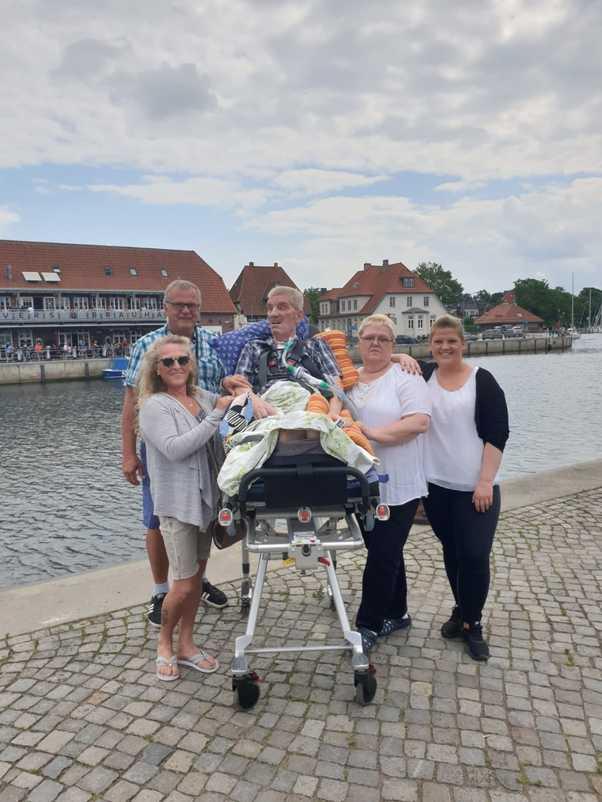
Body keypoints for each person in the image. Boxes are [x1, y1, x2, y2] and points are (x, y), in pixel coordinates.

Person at [122, 279, 250, 626]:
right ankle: (161, 590)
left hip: (207, 446)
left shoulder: (211, 344)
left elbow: (218, 391)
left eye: (192, 305)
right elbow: (132, 402)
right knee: (158, 519)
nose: (185, 310)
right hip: (164, 446)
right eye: (178, 304)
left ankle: (197, 581)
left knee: (204, 513)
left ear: (199, 308)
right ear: (165, 307)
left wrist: (233, 388)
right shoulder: (147, 345)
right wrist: (129, 454)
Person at [138, 335, 233, 680]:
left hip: (206, 502)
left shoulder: (199, 396)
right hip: (177, 506)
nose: (176, 366)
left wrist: (238, 392)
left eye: (182, 359)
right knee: (182, 584)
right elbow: (175, 448)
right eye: (168, 361)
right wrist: (217, 415)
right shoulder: (154, 406)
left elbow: (229, 406)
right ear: (157, 369)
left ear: (191, 364)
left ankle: (187, 644)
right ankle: (164, 644)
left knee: (196, 580)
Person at [421, 314, 509, 661]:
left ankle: (474, 623)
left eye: (451, 341)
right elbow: (390, 365)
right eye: (439, 342)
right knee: (452, 551)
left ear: (463, 344)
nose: (445, 347)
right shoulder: (423, 376)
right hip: (436, 486)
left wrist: (485, 480)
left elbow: (497, 434)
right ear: (431, 345)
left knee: (474, 554)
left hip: (476, 487)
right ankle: (461, 610)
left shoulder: (481, 380)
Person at [347, 314, 431, 652]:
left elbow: (419, 422)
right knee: (385, 550)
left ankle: (367, 625)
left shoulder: (406, 376)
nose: (375, 343)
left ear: (393, 344)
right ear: (358, 342)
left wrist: (371, 434)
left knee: (382, 555)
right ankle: (398, 613)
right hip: (363, 486)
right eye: (369, 337)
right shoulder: (350, 378)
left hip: (399, 485)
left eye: (383, 339)